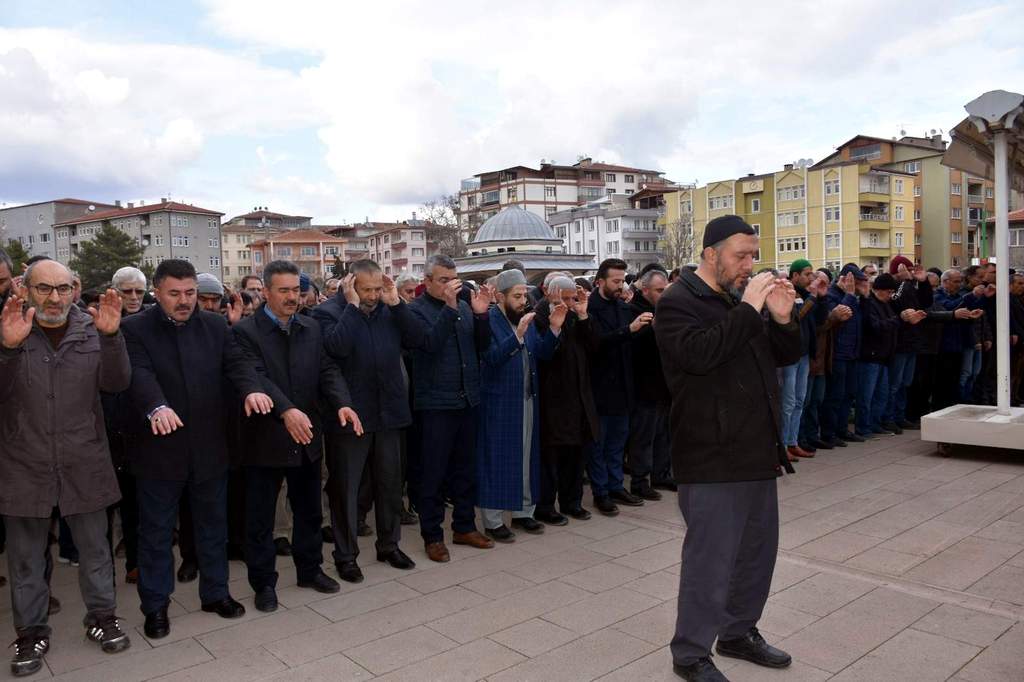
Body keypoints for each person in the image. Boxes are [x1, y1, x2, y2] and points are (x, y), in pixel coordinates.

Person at [655, 214, 798, 681]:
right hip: (710, 453)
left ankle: (738, 632)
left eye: (753, 255)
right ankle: (691, 653)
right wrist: (750, 309)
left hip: (756, 448)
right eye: (741, 255)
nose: (749, 264)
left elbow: (783, 355)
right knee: (710, 561)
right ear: (710, 254)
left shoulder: (735, 301)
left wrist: (781, 318)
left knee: (758, 553)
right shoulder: (677, 302)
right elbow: (700, 357)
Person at [120, 259, 273, 640]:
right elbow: (138, 373)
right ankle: (156, 607)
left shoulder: (215, 325)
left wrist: (252, 388)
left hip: (209, 448)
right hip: (159, 450)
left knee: (212, 526)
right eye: (175, 294)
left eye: (190, 293)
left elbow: (236, 365)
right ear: (157, 293)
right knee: (155, 534)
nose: (185, 301)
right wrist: (156, 406)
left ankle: (216, 593)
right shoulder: (134, 328)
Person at [1, 260, 133, 677]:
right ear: (24, 289)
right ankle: (30, 633)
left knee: (95, 551)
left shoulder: (93, 328)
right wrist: (6, 350)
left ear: (74, 289)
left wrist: (112, 339)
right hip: (24, 463)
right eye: (44, 288)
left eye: (63, 288)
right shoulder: (7, 326)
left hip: (84, 460)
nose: (54, 298)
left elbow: (117, 383)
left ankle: (101, 618)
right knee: (24, 560)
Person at [233, 260, 359, 611]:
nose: (292, 297)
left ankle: (310, 569)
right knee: (260, 518)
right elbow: (256, 377)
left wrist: (342, 403)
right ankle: (263, 583)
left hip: (307, 437)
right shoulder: (245, 332)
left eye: (296, 290)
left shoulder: (310, 327)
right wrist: (286, 410)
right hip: (265, 438)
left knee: (309, 511)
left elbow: (327, 369)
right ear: (267, 292)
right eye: (284, 291)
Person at [314, 261, 423, 582]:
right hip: (350, 417)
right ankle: (346, 556)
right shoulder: (329, 313)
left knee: (390, 486)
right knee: (346, 490)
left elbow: (417, 339)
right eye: (367, 290)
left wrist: (397, 303)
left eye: (378, 288)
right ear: (350, 285)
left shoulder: (390, 308)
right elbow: (336, 347)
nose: (373, 296)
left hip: (389, 413)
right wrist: (351, 308)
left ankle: (389, 545)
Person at [407, 255, 495, 563]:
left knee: (465, 469)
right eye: (443, 280)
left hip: (467, 399)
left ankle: (464, 527)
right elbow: (429, 346)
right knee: (432, 473)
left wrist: (482, 316)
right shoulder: (414, 312)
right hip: (434, 404)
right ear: (427, 281)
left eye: (452, 279)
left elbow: (482, 347)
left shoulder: (465, 307)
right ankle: (432, 536)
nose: (450, 285)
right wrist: (449, 308)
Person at [476, 269, 562, 542]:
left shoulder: (528, 319)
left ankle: (525, 511)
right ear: (500, 297)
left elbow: (542, 353)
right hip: (499, 401)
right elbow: (490, 357)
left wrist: (555, 329)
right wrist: (517, 337)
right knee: (498, 458)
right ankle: (492, 520)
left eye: (524, 294)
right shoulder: (488, 320)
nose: (523, 300)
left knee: (526, 456)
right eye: (516, 295)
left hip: (526, 399)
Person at [586, 258, 649, 516]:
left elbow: (631, 344)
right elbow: (596, 344)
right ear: (600, 281)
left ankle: (615, 486)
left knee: (617, 442)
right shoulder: (589, 308)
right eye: (615, 280)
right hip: (600, 388)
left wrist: (644, 329)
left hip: (623, 388)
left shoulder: (623, 307)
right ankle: (601, 492)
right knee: (599, 445)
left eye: (622, 280)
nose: (620, 285)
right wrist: (629, 330)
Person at [534, 277, 598, 525]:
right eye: (566, 298)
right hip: (553, 399)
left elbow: (594, 347)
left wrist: (583, 316)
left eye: (574, 298)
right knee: (551, 458)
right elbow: (544, 354)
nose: (571, 303)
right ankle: (546, 506)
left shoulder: (576, 314)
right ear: (551, 295)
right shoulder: (539, 315)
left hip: (578, 395)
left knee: (576, 453)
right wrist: (555, 326)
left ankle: (573, 502)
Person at [628, 267, 675, 495]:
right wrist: (651, 330)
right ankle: (639, 481)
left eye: (665, 290)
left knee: (663, 433)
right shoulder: (633, 310)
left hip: (664, 382)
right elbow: (630, 346)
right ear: (645, 290)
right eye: (659, 290)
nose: (663, 294)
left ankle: (661, 474)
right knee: (643, 436)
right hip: (644, 384)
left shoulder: (663, 310)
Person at [780, 259, 827, 460]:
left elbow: (820, 320)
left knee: (800, 400)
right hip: (789, 356)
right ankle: (781, 445)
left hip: (804, 354)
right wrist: (813, 297)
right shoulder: (786, 293)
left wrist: (821, 298)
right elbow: (796, 317)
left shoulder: (808, 295)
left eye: (811, 274)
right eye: (807, 274)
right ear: (795, 275)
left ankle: (792, 442)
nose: (810, 278)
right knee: (788, 402)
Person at [819, 264, 868, 447]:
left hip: (852, 353)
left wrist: (865, 297)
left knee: (849, 394)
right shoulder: (831, 295)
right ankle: (829, 432)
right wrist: (848, 295)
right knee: (835, 396)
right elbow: (840, 318)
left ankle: (842, 429)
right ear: (844, 279)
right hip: (838, 354)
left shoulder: (853, 297)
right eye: (854, 281)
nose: (855, 285)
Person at [855, 273, 908, 438]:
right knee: (866, 396)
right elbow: (874, 326)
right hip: (870, 356)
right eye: (889, 291)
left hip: (883, 357)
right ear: (880, 290)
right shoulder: (870, 304)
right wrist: (897, 320)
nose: (890, 295)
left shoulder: (886, 304)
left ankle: (875, 424)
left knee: (881, 394)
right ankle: (863, 427)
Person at [883, 257, 932, 432]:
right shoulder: (894, 287)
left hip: (912, 342)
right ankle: (888, 417)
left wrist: (923, 282)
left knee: (905, 382)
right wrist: (907, 282)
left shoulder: (910, 286)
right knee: (895, 384)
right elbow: (899, 303)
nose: (911, 273)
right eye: (907, 270)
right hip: (899, 344)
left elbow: (925, 303)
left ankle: (899, 415)